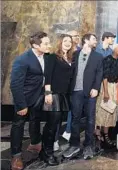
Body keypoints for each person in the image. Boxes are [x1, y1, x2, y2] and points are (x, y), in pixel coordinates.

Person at [10, 31, 51, 170]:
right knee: (18, 125)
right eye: (45, 43)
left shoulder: (47, 57)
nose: (48, 45)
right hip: (24, 98)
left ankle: (35, 143)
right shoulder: (22, 60)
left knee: (36, 119)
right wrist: (21, 105)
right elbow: (15, 84)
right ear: (35, 45)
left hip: (39, 96)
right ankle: (16, 156)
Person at [63, 33, 103, 160]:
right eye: (93, 39)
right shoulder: (75, 54)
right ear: (86, 40)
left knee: (90, 120)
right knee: (75, 118)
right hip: (75, 91)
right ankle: (74, 144)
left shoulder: (98, 56)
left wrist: (96, 88)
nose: (96, 41)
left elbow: (99, 73)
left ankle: (88, 145)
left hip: (90, 92)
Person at [39, 34, 75, 165]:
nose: (67, 43)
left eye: (70, 41)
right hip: (53, 94)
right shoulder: (53, 57)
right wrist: (48, 93)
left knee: (56, 123)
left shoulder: (70, 58)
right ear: (60, 42)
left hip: (63, 95)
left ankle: (46, 150)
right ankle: (47, 152)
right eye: (65, 41)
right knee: (52, 124)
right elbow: (47, 75)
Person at [95, 45, 118, 149]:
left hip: (114, 87)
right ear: (114, 49)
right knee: (103, 111)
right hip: (107, 87)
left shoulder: (117, 61)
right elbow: (105, 77)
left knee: (110, 111)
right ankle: (99, 133)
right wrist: (106, 92)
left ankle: (105, 135)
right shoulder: (107, 59)